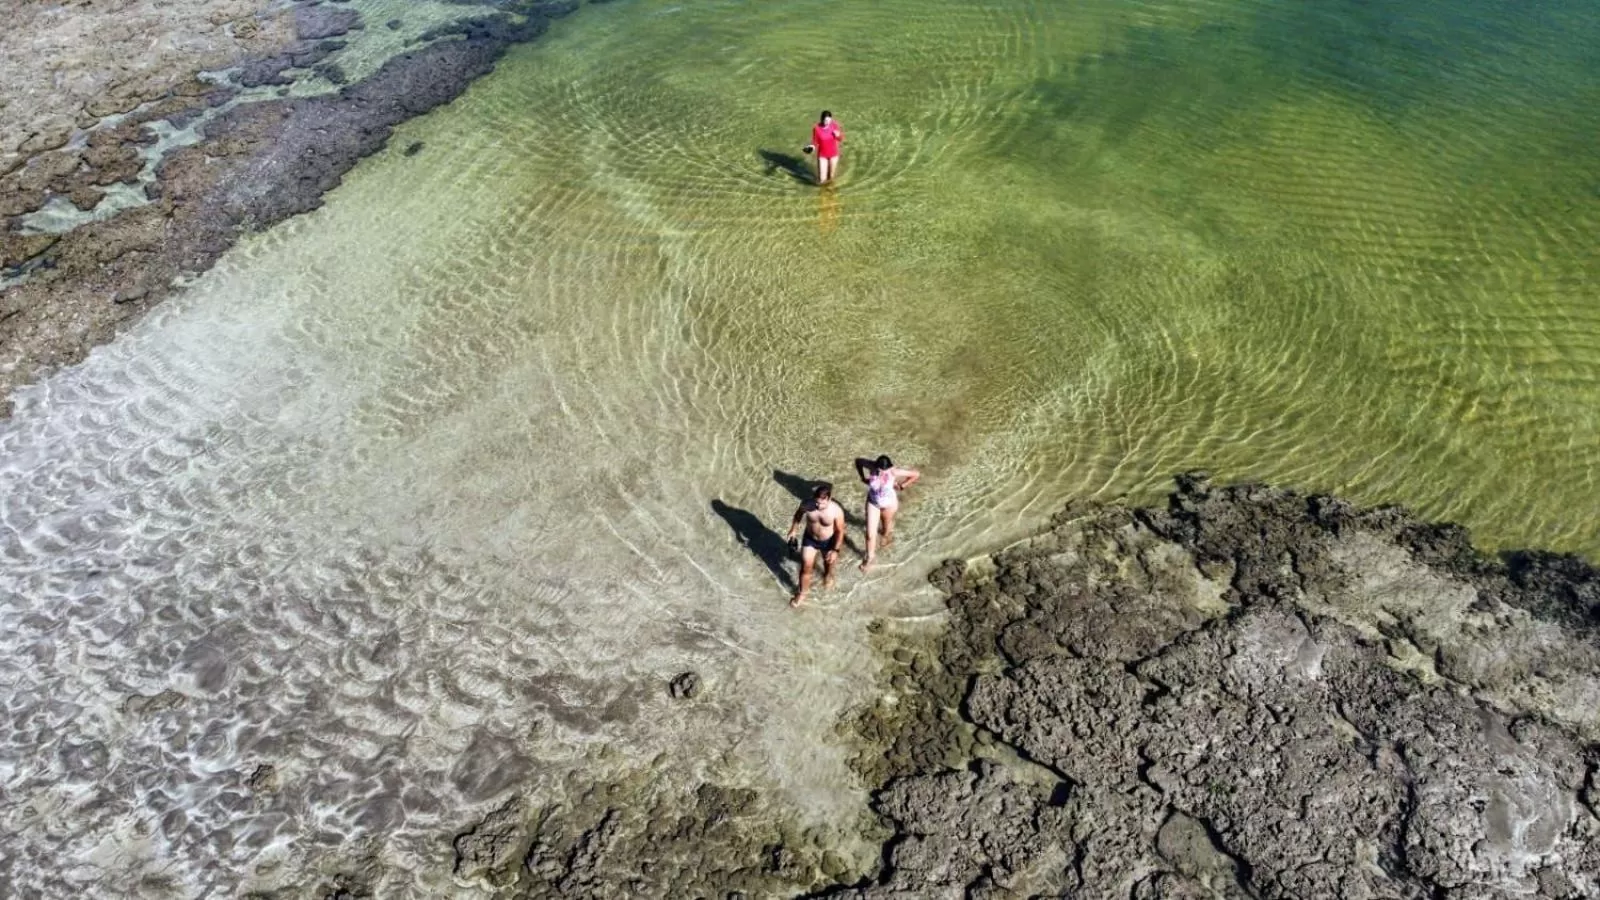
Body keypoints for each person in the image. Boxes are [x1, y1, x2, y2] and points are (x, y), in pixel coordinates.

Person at [784, 482, 846, 607]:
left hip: (828, 541)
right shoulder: (807, 504)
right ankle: (802, 593)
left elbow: (840, 531)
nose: (818, 506)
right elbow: (798, 515)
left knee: (828, 565)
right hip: (810, 539)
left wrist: (835, 550)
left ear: (829, 499)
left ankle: (828, 575)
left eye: (822, 503)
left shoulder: (836, 511)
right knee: (805, 567)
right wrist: (794, 529)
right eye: (817, 502)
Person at [856, 455, 920, 571]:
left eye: (884, 470)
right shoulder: (872, 466)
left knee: (886, 526)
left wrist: (902, 486)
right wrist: (862, 477)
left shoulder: (894, 471)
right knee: (870, 535)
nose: (881, 472)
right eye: (879, 470)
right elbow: (858, 461)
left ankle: (886, 536)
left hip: (889, 504)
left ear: (889, 467)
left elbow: (915, 474)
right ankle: (870, 557)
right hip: (873, 503)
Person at [805, 110, 843, 185]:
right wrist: (811, 147)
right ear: (822, 119)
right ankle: (822, 190)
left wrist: (838, 135)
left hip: (833, 155)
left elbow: (840, 139)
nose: (828, 122)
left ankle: (830, 190)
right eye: (826, 120)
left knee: (831, 177)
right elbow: (815, 141)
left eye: (829, 120)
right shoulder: (817, 128)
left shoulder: (834, 125)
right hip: (822, 155)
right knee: (822, 179)